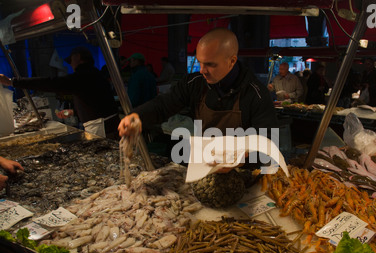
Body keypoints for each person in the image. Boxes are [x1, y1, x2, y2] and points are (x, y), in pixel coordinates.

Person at [118, 28, 278, 166]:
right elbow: (163, 105)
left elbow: (266, 139)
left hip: (244, 174)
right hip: (207, 166)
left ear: (232, 61)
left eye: (210, 64)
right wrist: (137, 116)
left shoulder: (256, 93)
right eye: (200, 63)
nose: (202, 70)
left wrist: (239, 156)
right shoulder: (194, 83)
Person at [0, 46, 120, 139]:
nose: (71, 64)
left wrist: (13, 82)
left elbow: (51, 83)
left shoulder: (84, 76)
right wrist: (74, 112)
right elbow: (96, 102)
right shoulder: (93, 74)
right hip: (104, 124)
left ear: (78, 57)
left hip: (103, 127)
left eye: (71, 60)